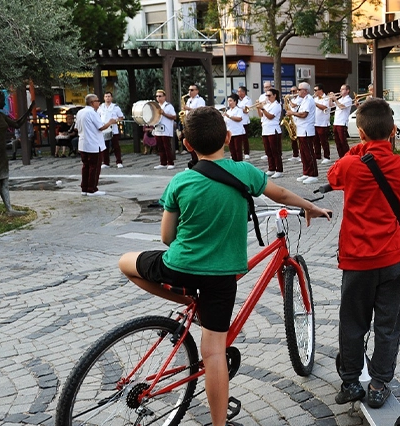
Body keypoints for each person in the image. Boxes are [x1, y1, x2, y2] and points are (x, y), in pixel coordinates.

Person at [118, 106, 331, 426]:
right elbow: (282, 193)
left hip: (179, 267)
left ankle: (186, 299)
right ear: (229, 138)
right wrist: (310, 206)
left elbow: (166, 237)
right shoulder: (245, 173)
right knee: (214, 353)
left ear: (187, 145)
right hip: (221, 278)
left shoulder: (180, 182)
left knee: (125, 262)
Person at [327, 98, 400, 410]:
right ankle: (379, 384)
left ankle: (351, 381)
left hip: (357, 259)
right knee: (388, 324)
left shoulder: (350, 164)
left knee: (352, 322)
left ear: (360, 133)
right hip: (393, 256)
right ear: (394, 131)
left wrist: (360, 149)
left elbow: (333, 177)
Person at [76, 94, 117, 196]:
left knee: (85, 166)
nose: (99, 103)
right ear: (92, 103)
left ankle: (84, 188)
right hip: (93, 144)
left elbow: (77, 127)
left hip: (83, 143)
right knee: (94, 167)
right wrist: (110, 122)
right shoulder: (92, 113)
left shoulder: (80, 112)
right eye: (97, 101)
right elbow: (101, 127)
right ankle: (92, 189)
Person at [286, 82, 319, 184]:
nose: (298, 91)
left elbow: (304, 114)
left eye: (299, 89)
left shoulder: (309, 100)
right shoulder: (303, 100)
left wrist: (292, 113)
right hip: (301, 129)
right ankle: (306, 172)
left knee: (309, 153)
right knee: (303, 154)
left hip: (306, 130)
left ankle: (313, 174)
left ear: (305, 91)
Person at [258, 88, 284, 178]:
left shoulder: (277, 105)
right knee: (268, 151)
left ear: (274, 95)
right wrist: (259, 108)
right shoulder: (267, 105)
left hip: (273, 130)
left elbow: (270, 116)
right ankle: (271, 168)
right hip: (265, 129)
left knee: (275, 151)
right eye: (266, 95)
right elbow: (260, 115)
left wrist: (263, 108)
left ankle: (279, 169)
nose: (267, 97)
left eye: (269, 95)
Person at [98, 92, 125, 168]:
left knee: (116, 146)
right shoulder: (101, 107)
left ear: (111, 98)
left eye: (109, 96)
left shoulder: (115, 107)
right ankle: (106, 162)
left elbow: (121, 117)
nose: (107, 98)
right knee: (104, 146)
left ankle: (119, 161)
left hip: (113, 129)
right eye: (106, 96)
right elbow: (97, 116)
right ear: (104, 98)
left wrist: (116, 120)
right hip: (104, 128)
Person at [153, 89, 177, 170]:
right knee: (160, 147)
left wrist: (164, 113)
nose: (158, 98)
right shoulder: (156, 106)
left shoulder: (168, 106)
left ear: (164, 97)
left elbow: (174, 116)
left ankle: (170, 162)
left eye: (160, 96)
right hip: (158, 129)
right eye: (157, 96)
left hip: (166, 129)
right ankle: (162, 163)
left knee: (167, 147)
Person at [331, 84, 353, 158]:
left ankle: (348, 156)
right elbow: (331, 105)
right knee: (337, 142)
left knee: (343, 142)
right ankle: (341, 157)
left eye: (342, 89)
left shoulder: (348, 99)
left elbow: (342, 107)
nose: (340, 90)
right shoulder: (340, 99)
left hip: (342, 123)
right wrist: (330, 98)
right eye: (341, 89)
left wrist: (335, 99)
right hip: (336, 122)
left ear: (347, 91)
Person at [312, 84, 332, 163]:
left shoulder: (326, 98)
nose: (314, 92)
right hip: (315, 122)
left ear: (321, 90)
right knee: (315, 141)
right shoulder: (315, 98)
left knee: (324, 141)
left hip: (323, 123)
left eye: (316, 90)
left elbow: (325, 108)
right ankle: (317, 156)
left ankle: (327, 157)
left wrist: (315, 103)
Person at [223, 94, 246, 161]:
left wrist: (229, 116)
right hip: (230, 132)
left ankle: (239, 163)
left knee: (238, 149)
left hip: (237, 132)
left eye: (230, 101)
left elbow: (239, 118)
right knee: (232, 149)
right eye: (228, 101)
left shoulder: (238, 110)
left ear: (235, 101)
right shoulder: (228, 111)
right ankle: (234, 162)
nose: (229, 103)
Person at [257, 81, 273, 161]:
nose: (267, 89)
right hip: (264, 120)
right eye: (265, 87)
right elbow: (260, 114)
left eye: (268, 87)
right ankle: (267, 154)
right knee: (266, 141)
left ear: (271, 87)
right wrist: (258, 107)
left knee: (272, 142)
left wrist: (263, 106)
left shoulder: (274, 95)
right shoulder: (261, 96)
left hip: (272, 122)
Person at [237, 86, 253, 160]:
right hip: (237, 121)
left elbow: (246, 110)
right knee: (237, 137)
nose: (238, 93)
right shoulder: (237, 100)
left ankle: (246, 152)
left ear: (243, 92)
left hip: (244, 121)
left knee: (244, 138)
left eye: (239, 91)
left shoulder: (248, 100)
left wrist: (238, 108)